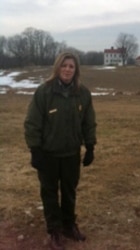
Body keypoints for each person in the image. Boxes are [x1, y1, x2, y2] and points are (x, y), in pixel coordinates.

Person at [24, 51, 97, 250]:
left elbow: (88, 122)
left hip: (71, 154)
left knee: (69, 192)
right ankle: (54, 230)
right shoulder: (44, 92)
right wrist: (35, 150)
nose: (67, 70)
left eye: (71, 66)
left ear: (76, 70)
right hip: (48, 155)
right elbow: (32, 123)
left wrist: (90, 146)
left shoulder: (83, 94)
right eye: (64, 66)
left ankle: (68, 225)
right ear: (58, 67)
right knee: (49, 193)